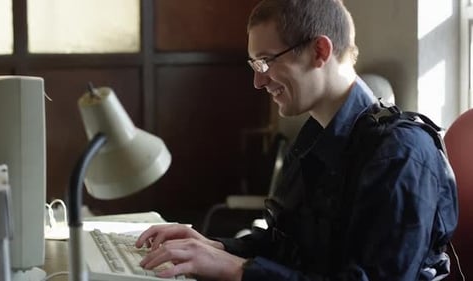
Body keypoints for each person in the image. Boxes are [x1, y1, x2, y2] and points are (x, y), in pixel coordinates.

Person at [135, 0, 459, 280]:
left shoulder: (400, 155)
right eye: (254, 64)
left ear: (319, 51)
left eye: (266, 61)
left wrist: (236, 270)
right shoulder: (316, 136)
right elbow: (288, 246)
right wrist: (212, 247)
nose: (258, 81)